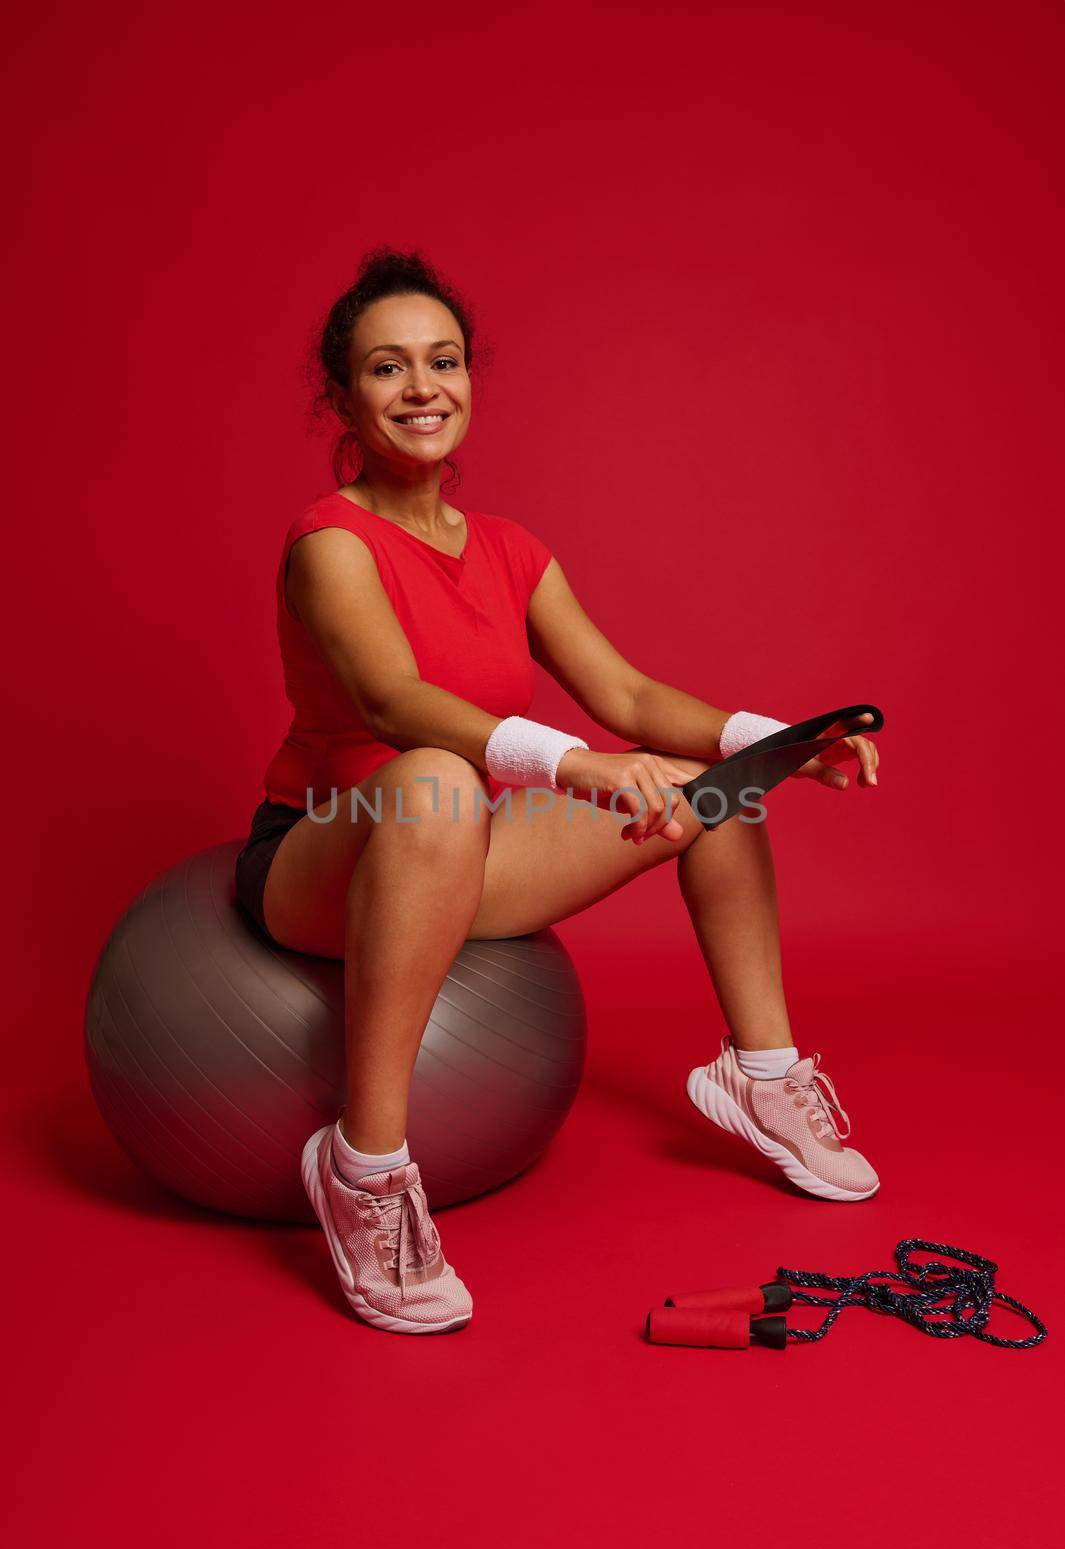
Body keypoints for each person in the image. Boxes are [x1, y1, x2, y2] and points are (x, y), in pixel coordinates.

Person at [234, 247, 881, 1336]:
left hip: (454, 848)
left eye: (443, 362)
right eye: (388, 369)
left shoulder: (510, 550)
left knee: (719, 790)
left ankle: (762, 1076)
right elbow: (393, 703)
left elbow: (624, 692)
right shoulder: (329, 543)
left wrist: (778, 738)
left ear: (471, 379)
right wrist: (568, 764)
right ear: (342, 396)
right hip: (325, 844)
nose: (422, 388)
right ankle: (365, 1168)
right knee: (434, 778)